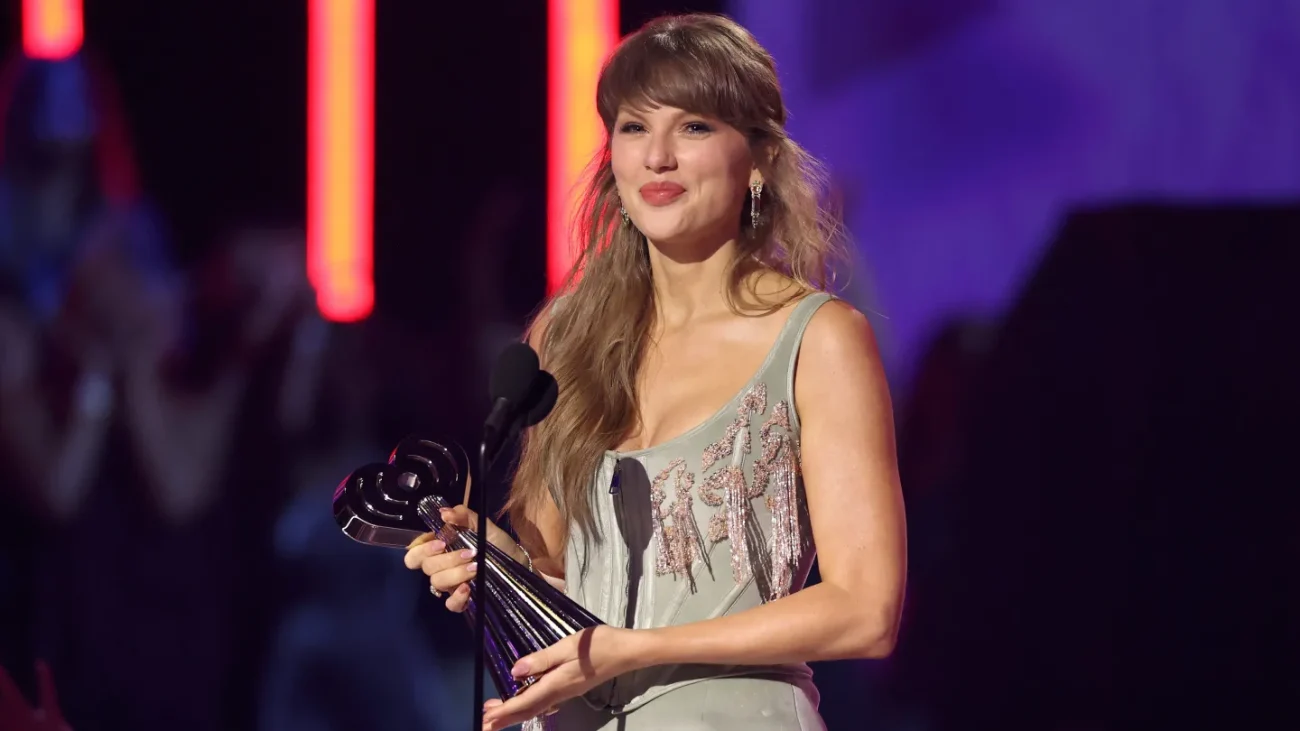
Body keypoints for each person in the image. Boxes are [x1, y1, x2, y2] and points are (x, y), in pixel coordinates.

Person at [404, 13, 907, 730]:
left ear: (758, 158)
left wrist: (632, 649)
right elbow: (562, 579)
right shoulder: (566, 338)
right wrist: (495, 563)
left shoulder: (818, 338)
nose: (658, 157)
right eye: (635, 127)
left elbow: (866, 609)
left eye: (694, 127)